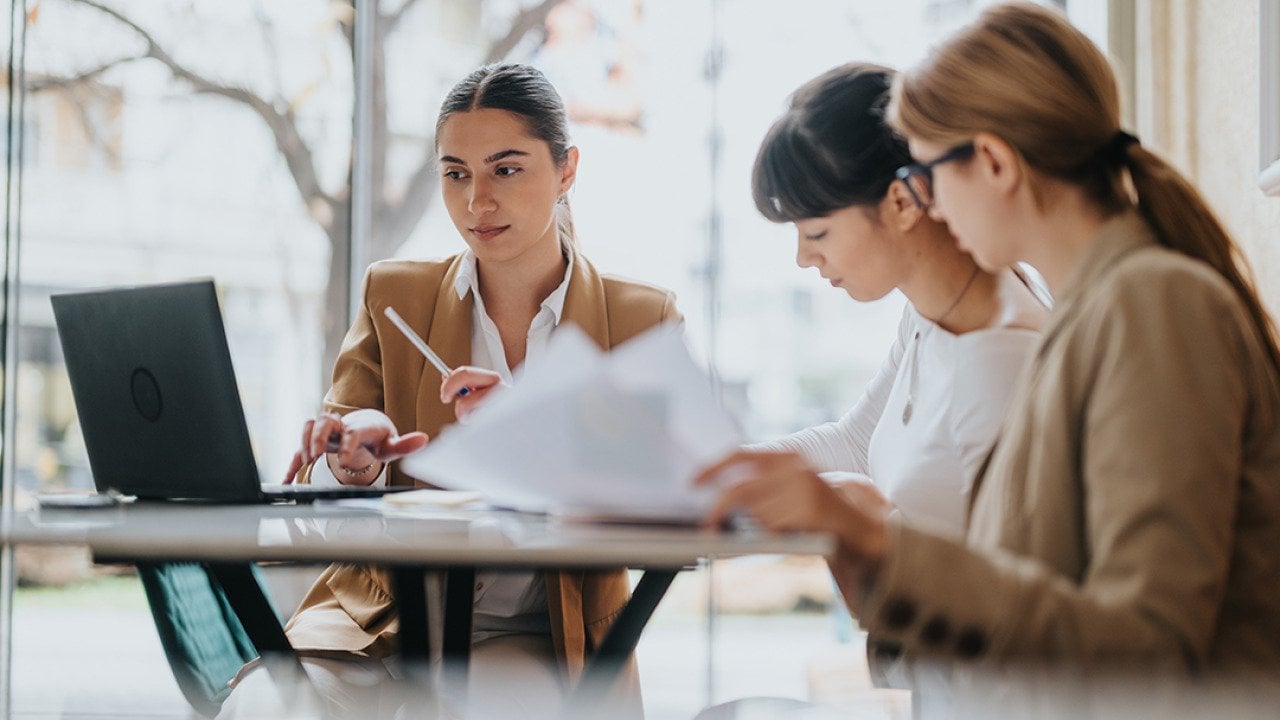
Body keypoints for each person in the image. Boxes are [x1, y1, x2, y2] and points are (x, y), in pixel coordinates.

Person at [699, 0, 1280, 711]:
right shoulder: (1096, 312)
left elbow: (1145, 647)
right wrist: (868, 547)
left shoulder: (1151, 308)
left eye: (928, 176)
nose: (926, 204)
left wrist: (879, 542)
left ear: (996, 164)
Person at [225, 63, 677, 720]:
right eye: (456, 173)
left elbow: (664, 498)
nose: (477, 201)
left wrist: (531, 431)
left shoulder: (639, 320)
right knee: (264, 710)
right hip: (372, 622)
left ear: (567, 170)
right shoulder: (394, 296)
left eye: (507, 168)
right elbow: (344, 443)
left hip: (537, 635)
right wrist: (354, 460)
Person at [743, 62, 1046, 543]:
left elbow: (1009, 592)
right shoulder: (933, 312)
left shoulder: (1001, 360)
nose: (803, 258)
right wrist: (722, 475)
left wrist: (860, 525)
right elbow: (857, 442)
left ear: (903, 202)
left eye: (817, 232)